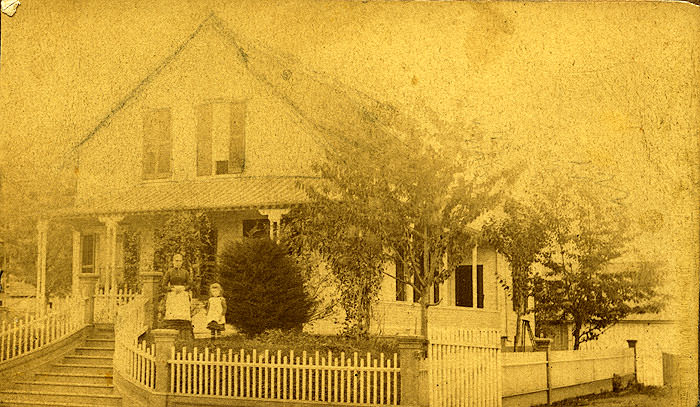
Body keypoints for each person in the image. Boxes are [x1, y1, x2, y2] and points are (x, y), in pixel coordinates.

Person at [162, 253, 193, 322]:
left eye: (179, 261)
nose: (178, 263)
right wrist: (171, 289)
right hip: (173, 294)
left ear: (182, 262)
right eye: (176, 261)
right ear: (173, 261)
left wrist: (184, 288)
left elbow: (190, 285)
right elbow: (164, 286)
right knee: (173, 314)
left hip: (182, 294)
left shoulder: (185, 272)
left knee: (182, 315)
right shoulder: (169, 272)